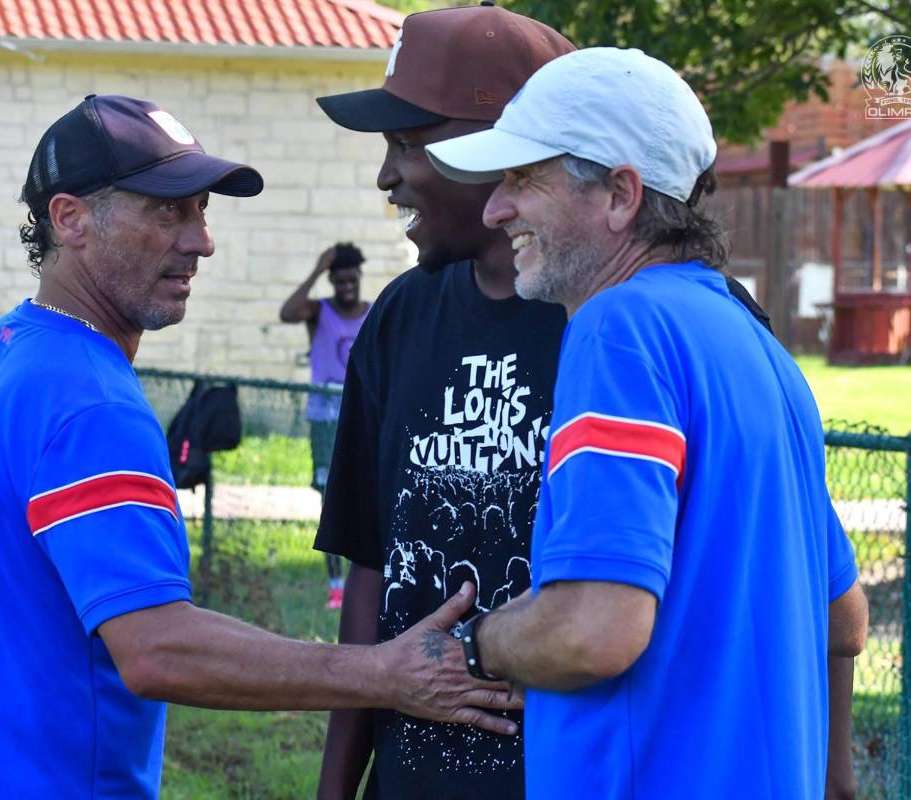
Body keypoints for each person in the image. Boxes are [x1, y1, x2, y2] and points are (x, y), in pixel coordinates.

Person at [0, 94, 520, 800]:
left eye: (201, 210)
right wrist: (388, 673)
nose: (201, 240)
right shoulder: (90, 402)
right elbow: (157, 649)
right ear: (70, 218)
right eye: (166, 211)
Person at [425, 48, 870, 798]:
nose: (495, 209)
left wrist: (476, 644)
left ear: (621, 195)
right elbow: (845, 620)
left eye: (523, 178)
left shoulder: (619, 327)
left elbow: (594, 629)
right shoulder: (759, 350)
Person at [311, 5, 575, 798]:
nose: (386, 176)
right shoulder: (400, 318)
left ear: (490, 151)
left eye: (405, 144)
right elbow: (368, 567)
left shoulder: (616, 327)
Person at [279, 242, 371, 609]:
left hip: (362, 416)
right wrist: (317, 269)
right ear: (332, 282)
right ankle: (336, 585)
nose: (346, 288)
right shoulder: (320, 312)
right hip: (324, 420)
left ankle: (363, 580)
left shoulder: (372, 312)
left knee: (363, 496)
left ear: (359, 278)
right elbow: (288, 312)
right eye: (339, 281)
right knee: (329, 497)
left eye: (351, 280)